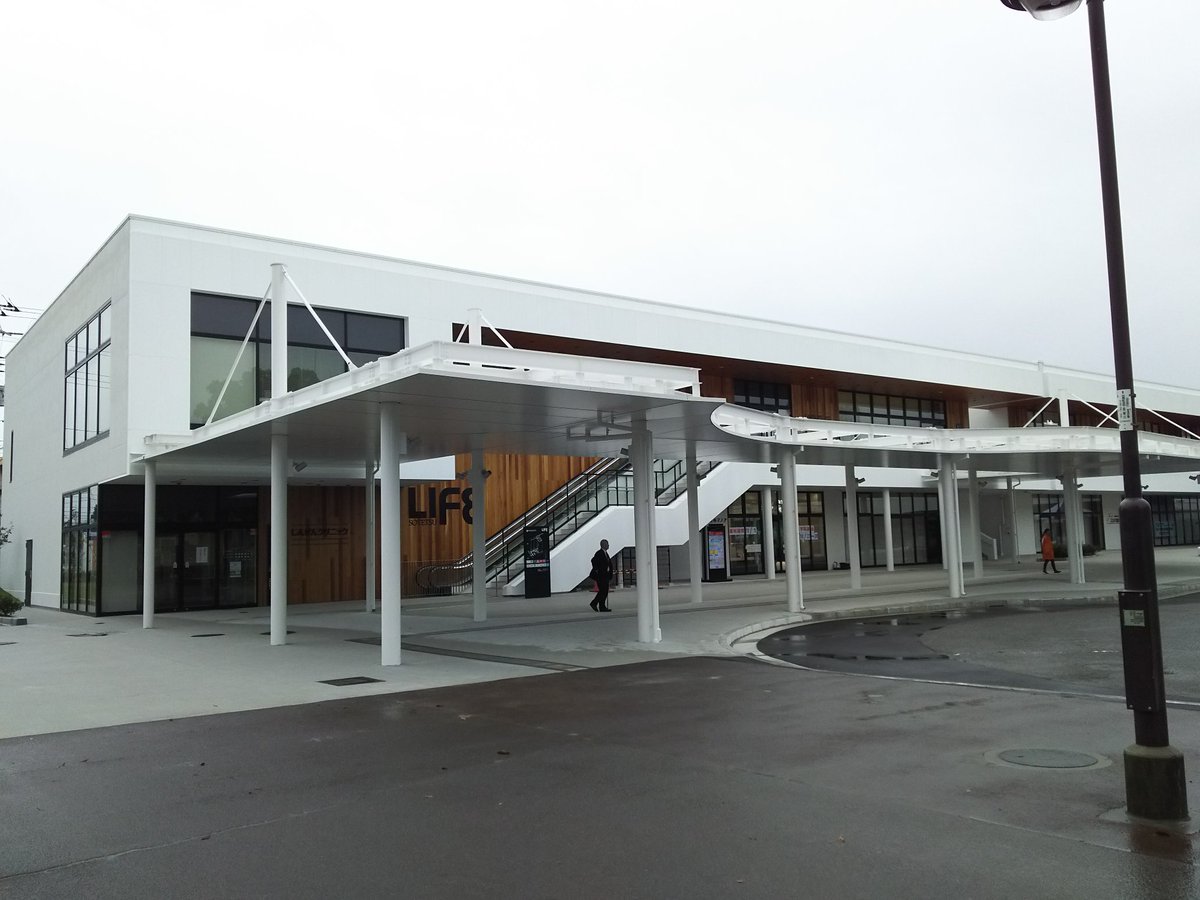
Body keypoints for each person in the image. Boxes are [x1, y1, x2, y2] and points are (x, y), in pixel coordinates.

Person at [590, 539, 614, 612]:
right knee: (603, 591)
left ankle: (602, 606)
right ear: (603, 545)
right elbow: (593, 560)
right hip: (601, 576)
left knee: (604, 591)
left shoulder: (606, 553)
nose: (608, 545)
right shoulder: (599, 553)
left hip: (605, 575)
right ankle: (594, 603)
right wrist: (597, 569)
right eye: (607, 544)